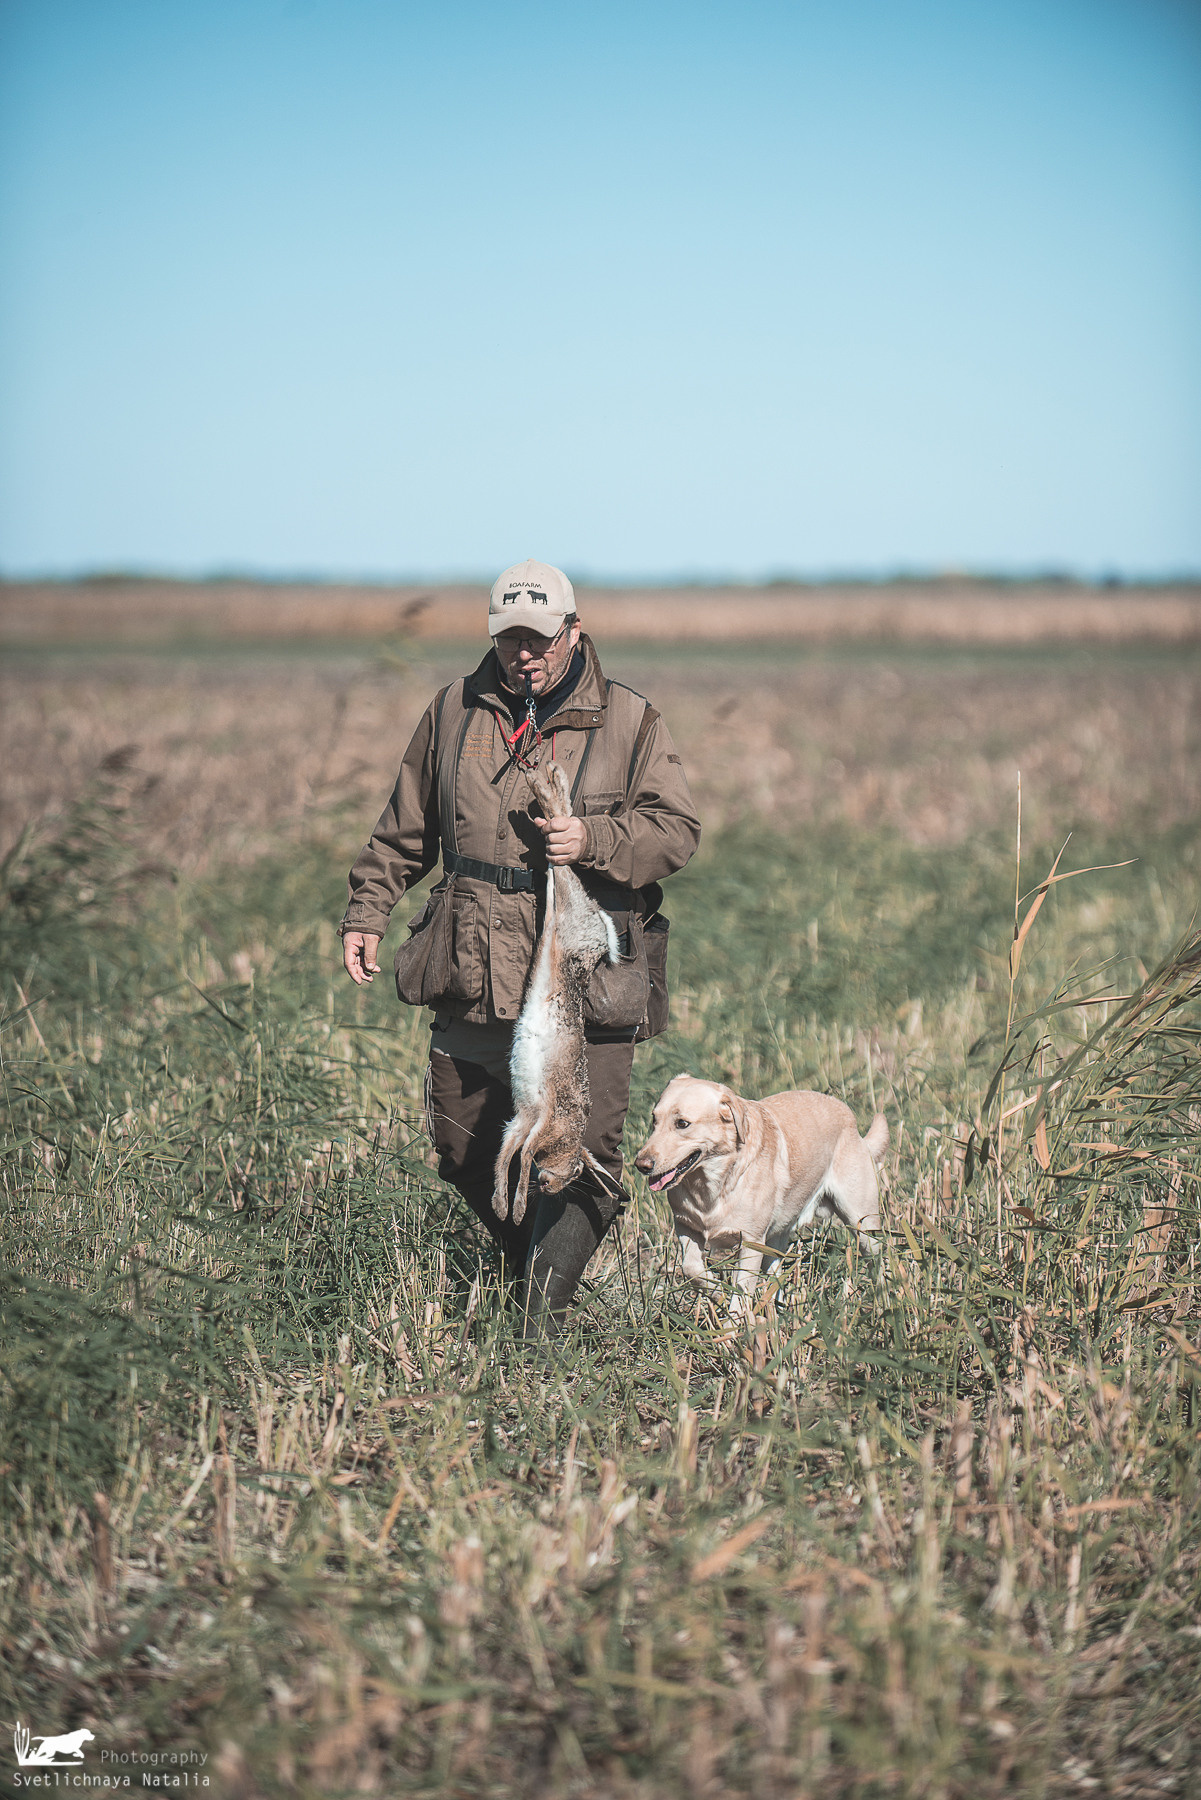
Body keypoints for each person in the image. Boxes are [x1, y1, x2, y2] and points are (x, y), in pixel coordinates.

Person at [340, 558, 701, 1335]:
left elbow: (675, 832)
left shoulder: (629, 720)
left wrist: (593, 838)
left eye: (539, 637)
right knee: (461, 1144)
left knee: (582, 1153)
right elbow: (404, 830)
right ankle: (529, 1273)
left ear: (574, 630)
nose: (524, 653)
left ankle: (537, 1329)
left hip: (585, 972)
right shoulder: (452, 711)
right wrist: (367, 909)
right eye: (509, 638)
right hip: (472, 958)